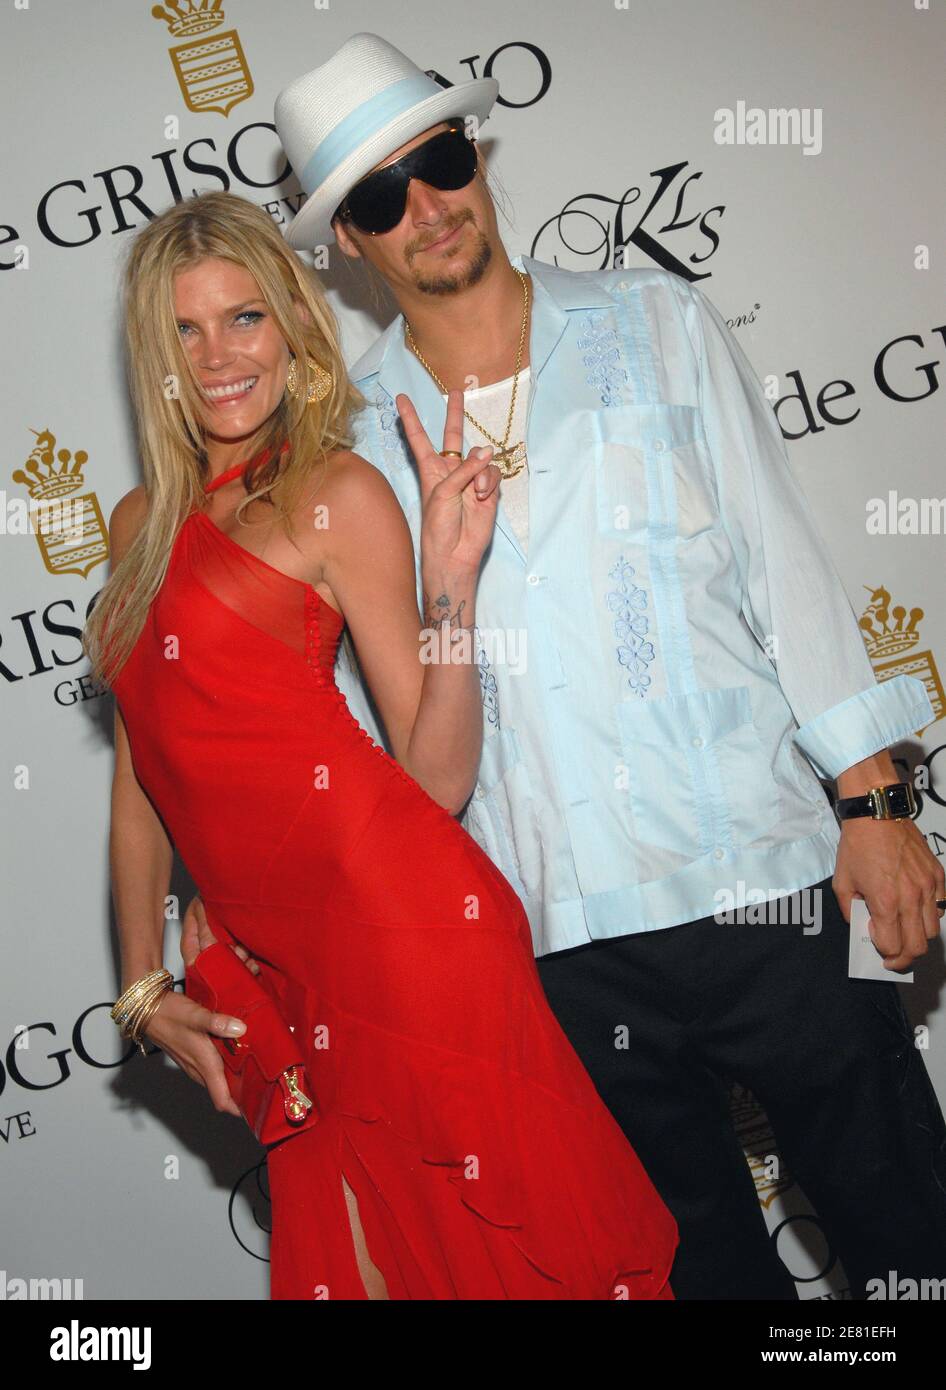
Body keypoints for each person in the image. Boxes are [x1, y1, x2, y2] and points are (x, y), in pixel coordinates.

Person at [265, 32, 946, 1299]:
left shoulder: (658, 318)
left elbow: (782, 567)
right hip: (553, 949)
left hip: (778, 883)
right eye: (376, 197)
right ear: (344, 241)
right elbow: (374, 740)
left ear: (478, 158)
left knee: (914, 1239)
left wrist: (876, 799)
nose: (425, 207)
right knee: (694, 1283)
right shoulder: (345, 453)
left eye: (441, 161)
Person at [83, 186, 678, 1301]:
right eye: (185, 329)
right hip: (260, 960)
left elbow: (435, 769)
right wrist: (137, 978)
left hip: (401, 939)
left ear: (294, 327)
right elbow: (142, 773)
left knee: (491, 1259)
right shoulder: (137, 526)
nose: (219, 355)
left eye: (245, 317)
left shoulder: (335, 492)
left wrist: (450, 587)